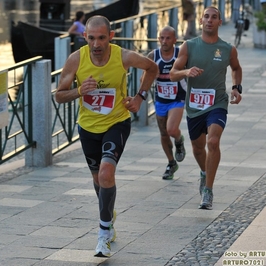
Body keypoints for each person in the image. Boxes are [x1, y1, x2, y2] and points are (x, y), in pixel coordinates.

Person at [55, 16, 158, 257]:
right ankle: (108, 215)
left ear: (110, 36)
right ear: (85, 37)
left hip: (117, 123)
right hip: (88, 128)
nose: (97, 44)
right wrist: (80, 91)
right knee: (98, 180)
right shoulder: (75, 60)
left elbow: (152, 68)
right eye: (92, 38)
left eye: (102, 38)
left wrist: (140, 97)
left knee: (105, 173)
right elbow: (59, 95)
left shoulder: (122, 56)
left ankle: (104, 235)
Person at [169, 6, 242, 210]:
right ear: (201, 21)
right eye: (206, 17)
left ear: (220, 22)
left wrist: (236, 87)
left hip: (217, 102)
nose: (210, 20)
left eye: (214, 17)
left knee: (213, 140)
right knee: (199, 148)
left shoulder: (228, 49)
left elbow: (236, 68)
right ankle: (204, 172)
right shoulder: (189, 46)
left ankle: (208, 191)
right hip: (194, 106)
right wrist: (186, 71)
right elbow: (173, 74)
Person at [144, 26, 186, 180]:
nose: (164, 41)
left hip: (178, 98)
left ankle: (179, 140)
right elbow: (145, 77)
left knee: (171, 129)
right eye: (162, 38)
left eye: (168, 38)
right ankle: (171, 163)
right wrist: (140, 94)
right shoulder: (153, 55)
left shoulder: (180, 54)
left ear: (174, 40)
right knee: (163, 133)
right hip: (161, 99)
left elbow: (190, 71)